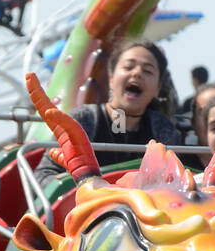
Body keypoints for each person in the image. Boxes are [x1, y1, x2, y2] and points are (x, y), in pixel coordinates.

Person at [34, 40, 180, 188]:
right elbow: (44, 176)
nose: (136, 73)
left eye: (147, 71)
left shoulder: (163, 128)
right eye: (128, 67)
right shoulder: (83, 119)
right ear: (111, 79)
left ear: (157, 89)